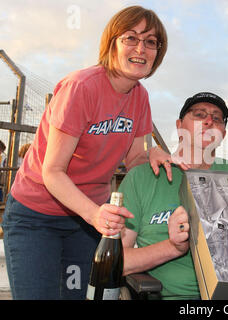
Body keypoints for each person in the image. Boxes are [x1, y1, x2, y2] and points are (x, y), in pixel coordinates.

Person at [1, 6, 180, 300]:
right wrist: (95, 215)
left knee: (80, 296)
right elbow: (52, 172)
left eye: (151, 42)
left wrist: (153, 154)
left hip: (85, 222)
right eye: (131, 38)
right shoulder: (81, 87)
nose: (141, 48)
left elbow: (135, 159)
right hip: (37, 216)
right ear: (112, 43)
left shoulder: (140, 97)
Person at [118, 92, 228, 299]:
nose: (209, 121)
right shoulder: (142, 178)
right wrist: (173, 247)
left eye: (217, 119)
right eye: (199, 114)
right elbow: (118, 261)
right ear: (180, 126)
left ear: (223, 134)